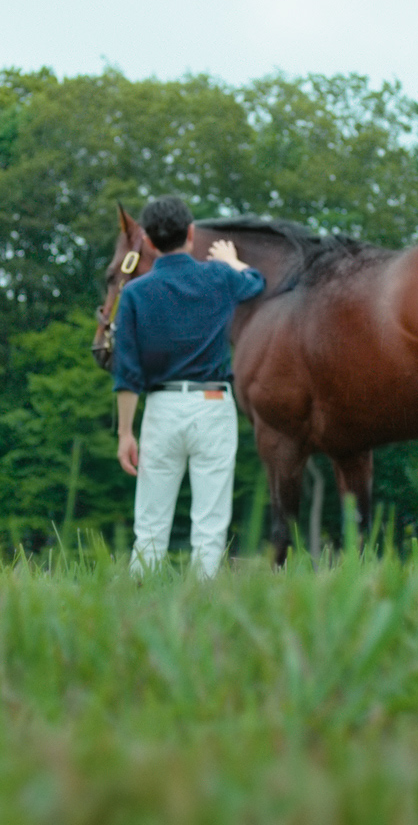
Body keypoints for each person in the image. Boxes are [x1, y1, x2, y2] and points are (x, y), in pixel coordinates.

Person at [113, 195, 265, 577]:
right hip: (213, 406)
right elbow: (256, 282)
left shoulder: (133, 294)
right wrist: (232, 261)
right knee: (210, 528)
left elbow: (127, 372)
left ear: (147, 241)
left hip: (162, 410)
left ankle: (137, 613)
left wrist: (125, 433)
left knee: (149, 527)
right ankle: (205, 612)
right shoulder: (218, 277)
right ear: (192, 233)